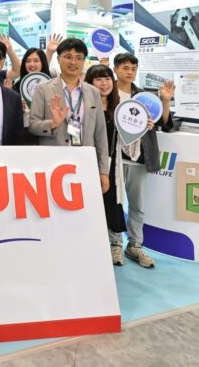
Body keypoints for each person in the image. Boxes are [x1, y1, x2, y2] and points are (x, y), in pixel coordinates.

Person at [110, 52, 174, 269]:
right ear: (116, 69)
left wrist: (165, 100)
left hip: (139, 157)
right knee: (114, 203)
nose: (130, 72)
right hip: (114, 156)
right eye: (125, 68)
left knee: (137, 205)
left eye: (133, 68)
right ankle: (115, 243)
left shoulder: (145, 97)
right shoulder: (108, 92)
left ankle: (135, 244)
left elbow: (164, 122)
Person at [27, 38, 110, 186]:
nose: (73, 62)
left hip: (85, 161)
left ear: (84, 61)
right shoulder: (43, 89)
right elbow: (33, 125)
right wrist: (52, 124)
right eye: (68, 57)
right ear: (58, 59)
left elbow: (100, 133)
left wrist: (103, 171)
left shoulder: (93, 92)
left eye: (79, 58)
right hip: (53, 163)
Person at [86, 64, 127, 261]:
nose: (104, 84)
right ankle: (94, 243)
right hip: (87, 162)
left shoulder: (120, 108)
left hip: (112, 164)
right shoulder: (85, 106)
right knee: (92, 202)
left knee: (112, 202)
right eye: (98, 79)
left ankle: (116, 244)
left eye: (107, 78)